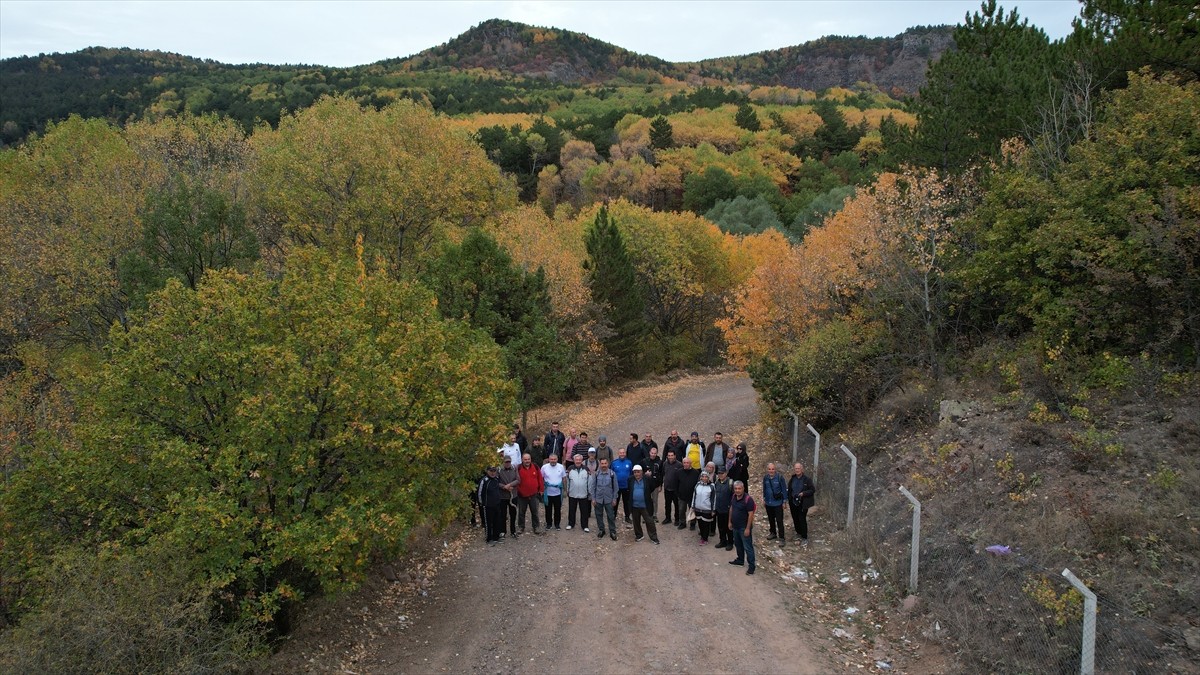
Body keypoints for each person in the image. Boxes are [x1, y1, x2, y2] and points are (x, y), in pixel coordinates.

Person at [729, 480, 757, 574]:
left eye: (739, 488)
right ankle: (740, 560)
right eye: (736, 489)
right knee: (738, 544)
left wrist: (748, 528)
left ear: (743, 488)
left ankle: (751, 566)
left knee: (748, 547)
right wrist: (730, 522)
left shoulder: (748, 500)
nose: (737, 490)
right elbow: (731, 509)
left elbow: (751, 515)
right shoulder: (733, 497)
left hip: (743, 528)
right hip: (735, 526)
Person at [589, 458, 619, 541]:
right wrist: (593, 499)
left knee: (610, 516)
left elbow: (616, 488)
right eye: (602, 463)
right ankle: (601, 530)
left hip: (609, 499)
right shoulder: (596, 474)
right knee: (598, 515)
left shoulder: (612, 474)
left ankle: (612, 531)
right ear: (600, 464)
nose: (604, 465)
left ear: (608, 464)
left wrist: (614, 499)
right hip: (598, 499)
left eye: (605, 463)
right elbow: (593, 487)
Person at [628, 465, 659, 544]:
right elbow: (629, 490)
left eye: (638, 472)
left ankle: (654, 538)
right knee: (636, 522)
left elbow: (652, 487)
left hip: (645, 505)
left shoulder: (647, 479)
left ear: (641, 472)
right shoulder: (630, 479)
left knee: (650, 522)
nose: (636, 474)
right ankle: (639, 535)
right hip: (634, 505)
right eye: (635, 472)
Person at [788, 462, 816, 545]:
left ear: (802, 469)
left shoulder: (807, 480)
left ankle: (804, 537)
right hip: (793, 502)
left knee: (802, 519)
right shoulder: (792, 479)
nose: (797, 470)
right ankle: (798, 533)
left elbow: (812, 490)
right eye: (796, 468)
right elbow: (789, 490)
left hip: (803, 503)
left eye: (798, 468)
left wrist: (803, 493)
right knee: (795, 518)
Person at [516, 453, 545, 535]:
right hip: (522, 495)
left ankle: (536, 527)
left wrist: (541, 490)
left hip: (534, 494)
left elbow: (540, 478)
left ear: (530, 459)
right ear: (522, 459)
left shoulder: (535, 467)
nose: (527, 461)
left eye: (528, 459)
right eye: (525, 459)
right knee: (521, 512)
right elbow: (515, 480)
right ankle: (521, 527)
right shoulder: (518, 468)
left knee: (535, 512)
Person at [762, 462, 788, 546]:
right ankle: (773, 533)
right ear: (767, 469)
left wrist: (784, 501)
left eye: (772, 469)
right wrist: (764, 499)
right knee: (771, 519)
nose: (771, 471)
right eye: (769, 469)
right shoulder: (765, 478)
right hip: (768, 503)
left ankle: (782, 538)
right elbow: (764, 489)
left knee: (779, 520)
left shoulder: (780, 477)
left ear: (775, 469)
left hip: (777, 503)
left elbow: (784, 489)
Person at [477, 466, 504, 545]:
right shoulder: (484, 480)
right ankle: (488, 539)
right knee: (488, 522)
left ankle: (496, 537)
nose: (492, 473)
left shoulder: (496, 479)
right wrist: (482, 503)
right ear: (487, 471)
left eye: (494, 471)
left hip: (496, 504)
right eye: (491, 471)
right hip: (487, 505)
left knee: (497, 521)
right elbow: (479, 493)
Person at [566, 454, 592, 532]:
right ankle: (571, 524)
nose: (578, 461)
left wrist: (589, 492)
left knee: (584, 511)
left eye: (579, 460)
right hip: (572, 493)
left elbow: (589, 481)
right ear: (574, 460)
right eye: (576, 460)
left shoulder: (586, 469)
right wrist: (567, 490)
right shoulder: (570, 469)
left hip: (583, 493)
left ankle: (585, 526)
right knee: (571, 510)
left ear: (582, 460)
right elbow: (567, 481)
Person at [541, 453, 566, 530]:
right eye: (551, 459)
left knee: (557, 509)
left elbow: (564, 478)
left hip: (558, 492)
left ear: (557, 459)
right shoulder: (544, 467)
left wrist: (565, 489)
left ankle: (557, 524)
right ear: (549, 459)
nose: (553, 461)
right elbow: (541, 478)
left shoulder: (561, 467)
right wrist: (541, 489)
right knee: (548, 509)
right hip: (547, 492)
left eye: (554, 459)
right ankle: (549, 524)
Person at [497, 455, 521, 539]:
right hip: (502, 496)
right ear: (503, 462)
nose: (508, 463)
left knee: (513, 514)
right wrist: (504, 487)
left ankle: (513, 531)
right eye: (506, 462)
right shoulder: (499, 469)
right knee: (502, 515)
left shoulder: (514, 468)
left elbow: (518, 480)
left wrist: (510, 485)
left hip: (513, 496)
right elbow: (496, 481)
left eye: (509, 462)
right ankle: (503, 531)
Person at [691, 471, 716, 545]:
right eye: (703, 477)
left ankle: (705, 539)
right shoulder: (697, 485)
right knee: (700, 523)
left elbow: (714, 498)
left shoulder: (712, 486)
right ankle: (702, 536)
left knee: (706, 524)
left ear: (708, 478)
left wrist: (713, 509)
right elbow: (694, 496)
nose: (704, 478)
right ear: (701, 477)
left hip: (707, 509)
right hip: (698, 508)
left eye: (706, 477)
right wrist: (693, 506)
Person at [676, 457, 701, 530]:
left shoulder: (696, 472)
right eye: (684, 463)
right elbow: (676, 484)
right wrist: (678, 494)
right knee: (681, 510)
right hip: (682, 496)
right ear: (682, 463)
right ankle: (682, 523)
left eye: (687, 463)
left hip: (692, 497)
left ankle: (692, 523)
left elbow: (698, 484)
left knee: (692, 511)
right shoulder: (679, 472)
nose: (686, 464)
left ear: (691, 463)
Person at [713, 466, 734, 550]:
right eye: (719, 473)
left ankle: (730, 542)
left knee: (729, 527)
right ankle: (722, 541)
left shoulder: (730, 483)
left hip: (728, 509)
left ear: (726, 473)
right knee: (720, 526)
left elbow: (734, 496)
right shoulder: (716, 482)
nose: (720, 475)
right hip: (719, 509)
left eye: (722, 473)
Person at [612, 447, 633, 524]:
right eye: (621, 453)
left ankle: (627, 517)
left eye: (623, 453)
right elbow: (611, 474)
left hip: (626, 486)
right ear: (618, 453)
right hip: (617, 487)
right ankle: (613, 516)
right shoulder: (614, 463)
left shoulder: (629, 463)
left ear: (625, 453)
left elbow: (631, 474)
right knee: (615, 502)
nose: (622, 454)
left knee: (626, 503)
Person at [661, 450, 682, 525]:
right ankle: (668, 518)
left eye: (671, 455)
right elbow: (663, 474)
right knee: (667, 504)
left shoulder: (679, 465)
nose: (670, 457)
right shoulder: (665, 464)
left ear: (675, 456)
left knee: (676, 504)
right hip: (667, 488)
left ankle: (677, 519)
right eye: (669, 455)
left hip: (675, 489)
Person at [642, 446, 664, 518]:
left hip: (655, 485)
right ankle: (646, 515)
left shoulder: (660, 462)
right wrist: (644, 474)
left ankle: (654, 515)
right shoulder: (644, 461)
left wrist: (660, 485)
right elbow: (639, 472)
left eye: (655, 453)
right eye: (652, 453)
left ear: (657, 453)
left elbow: (661, 474)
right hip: (646, 485)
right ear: (649, 453)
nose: (653, 454)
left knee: (655, 500)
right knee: (646, 500)